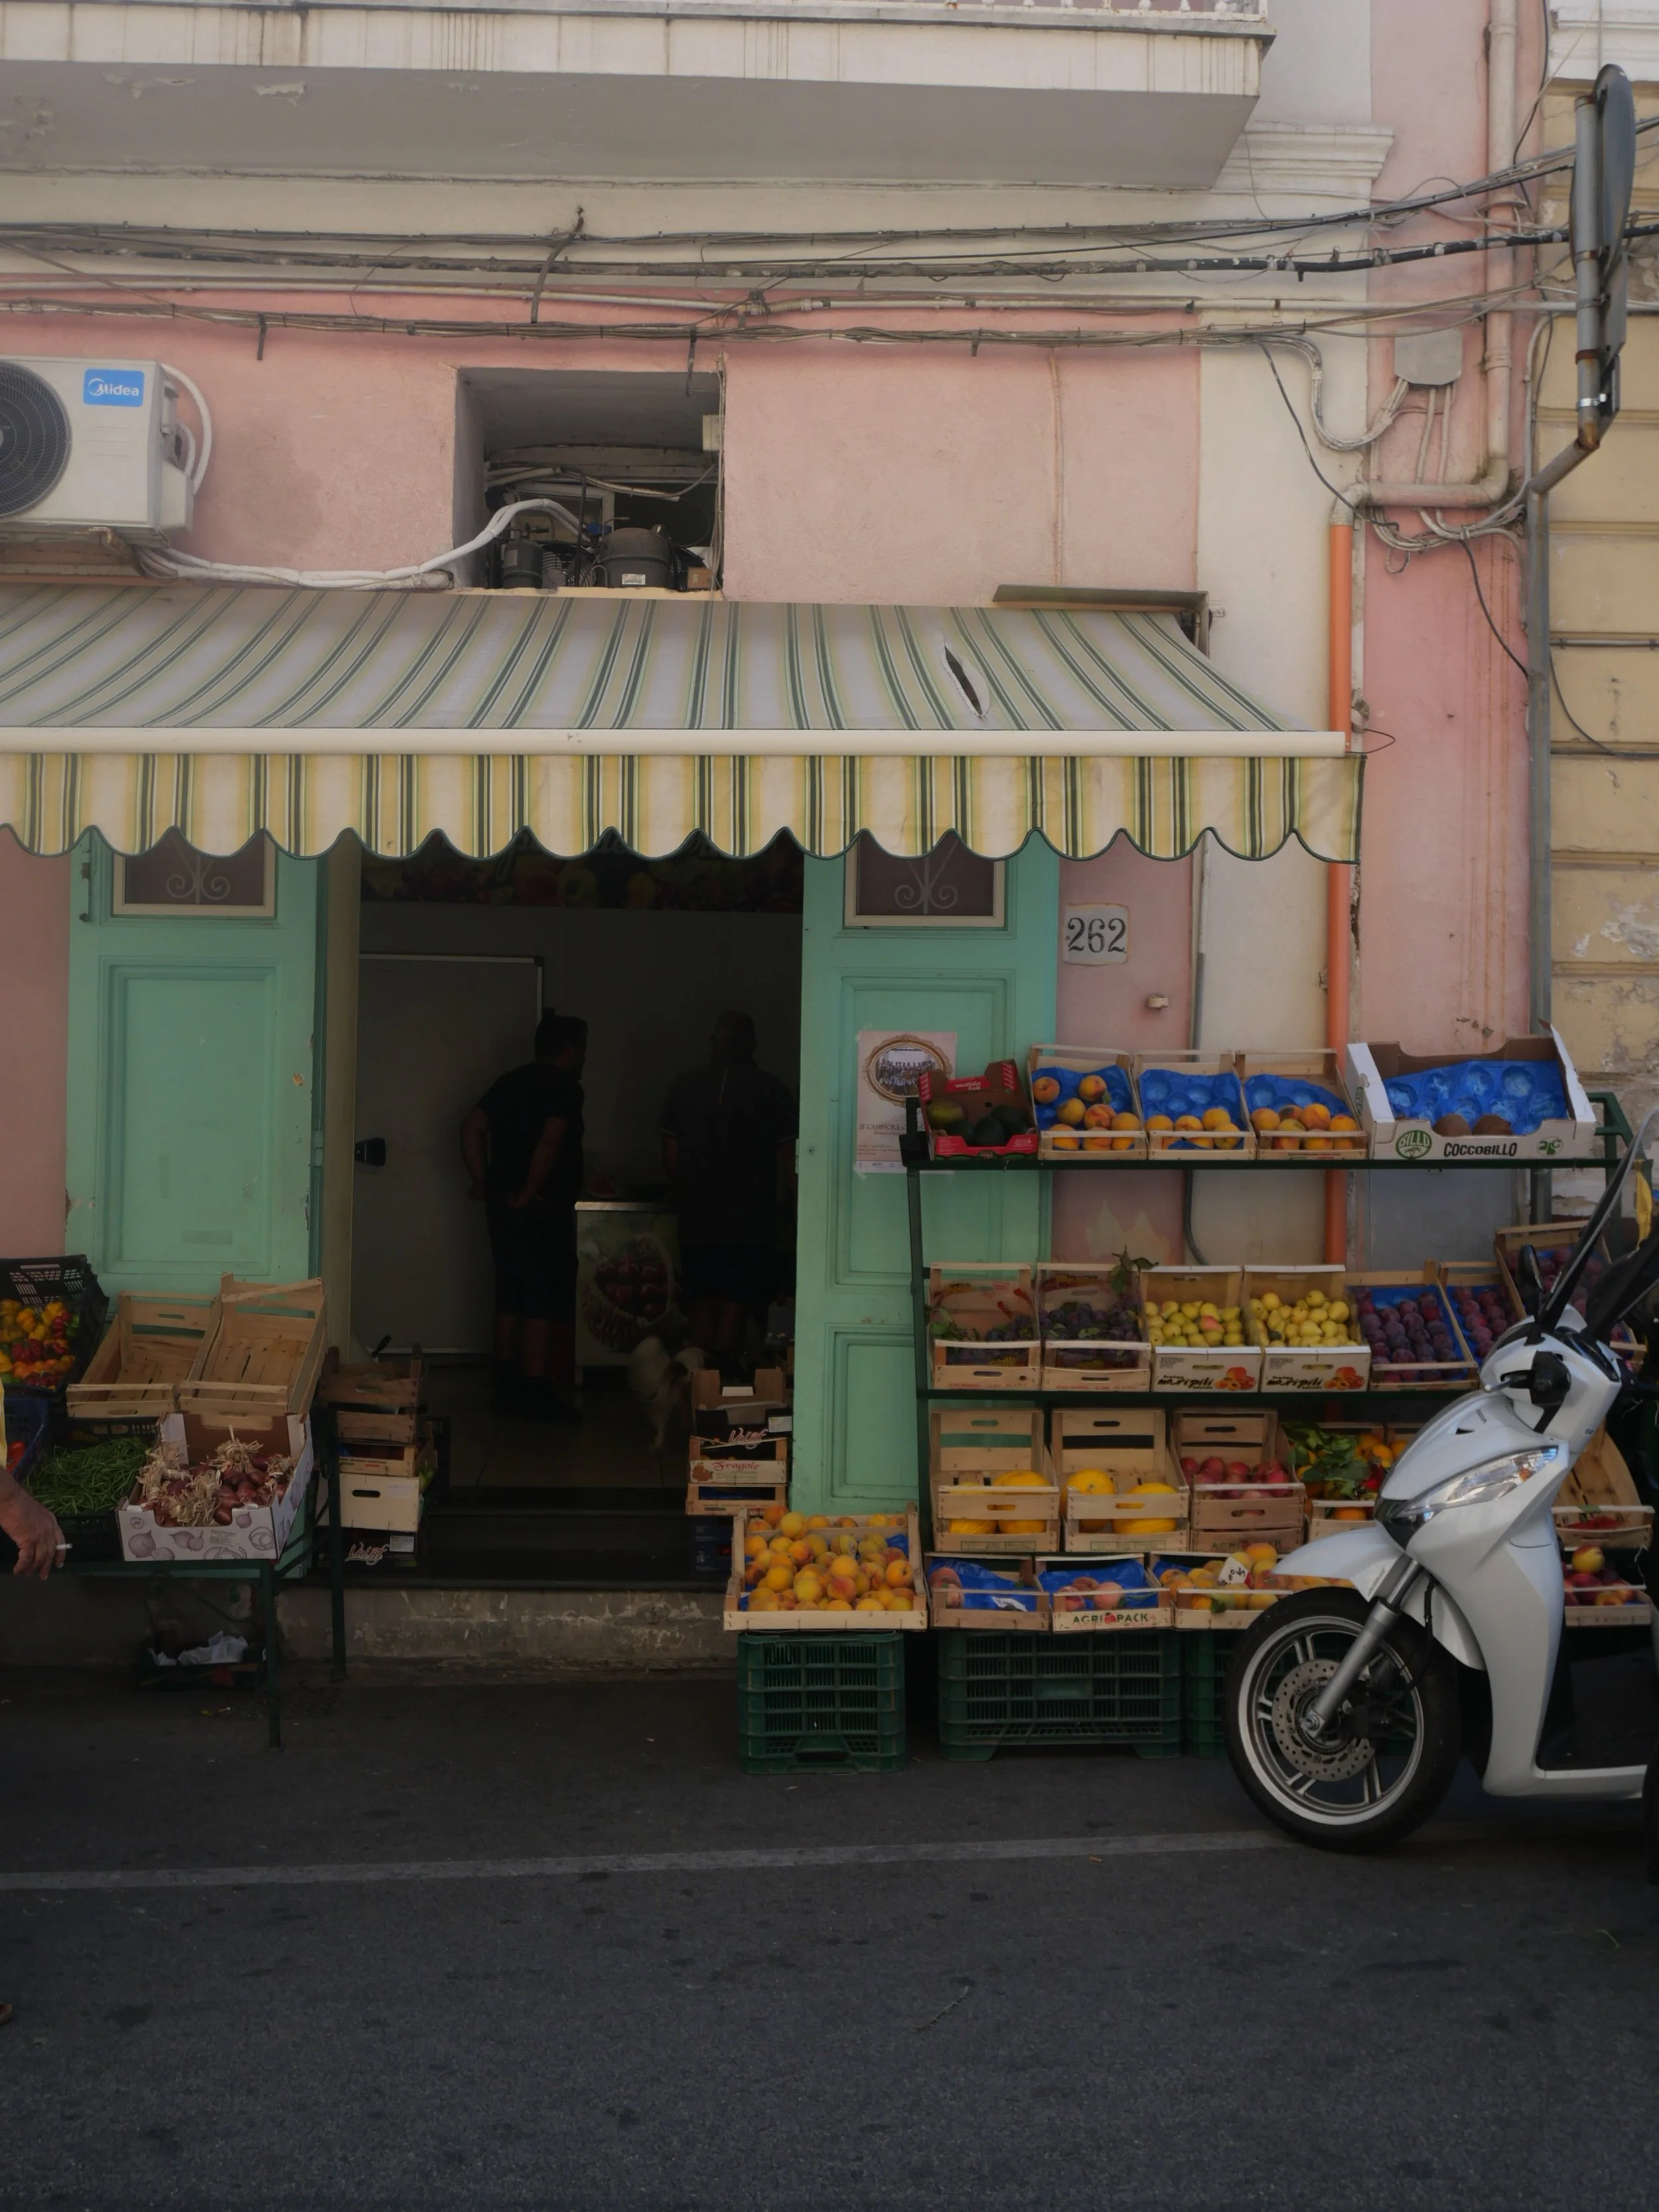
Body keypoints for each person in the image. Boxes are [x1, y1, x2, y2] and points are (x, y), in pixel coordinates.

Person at [461, 1012, 587, 1418]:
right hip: (541, 1206)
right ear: (570, 1050)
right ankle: (535, 1388)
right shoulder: (565, 1087)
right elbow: (551, 1143)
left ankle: (505, 1381)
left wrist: (482, 1181)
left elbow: (471, 1126)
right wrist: (532, 1191)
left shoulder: (509, 1082)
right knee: (541, 1296)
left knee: (509, 1290)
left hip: (501, 1205)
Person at [660, 1010, 797, 1373]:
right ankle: (723, 1387)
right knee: (737, 1298)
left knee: (703, 1297)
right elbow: (791, 1162)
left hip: (697, 1217)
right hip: (751, 1220)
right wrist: (799, 1210)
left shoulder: (683, 1086)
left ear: (712, 1042)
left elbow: (670, 1158)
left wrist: (691, 1192)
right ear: (753, 1045)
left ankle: (700, 1385)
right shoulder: (774, 1090)